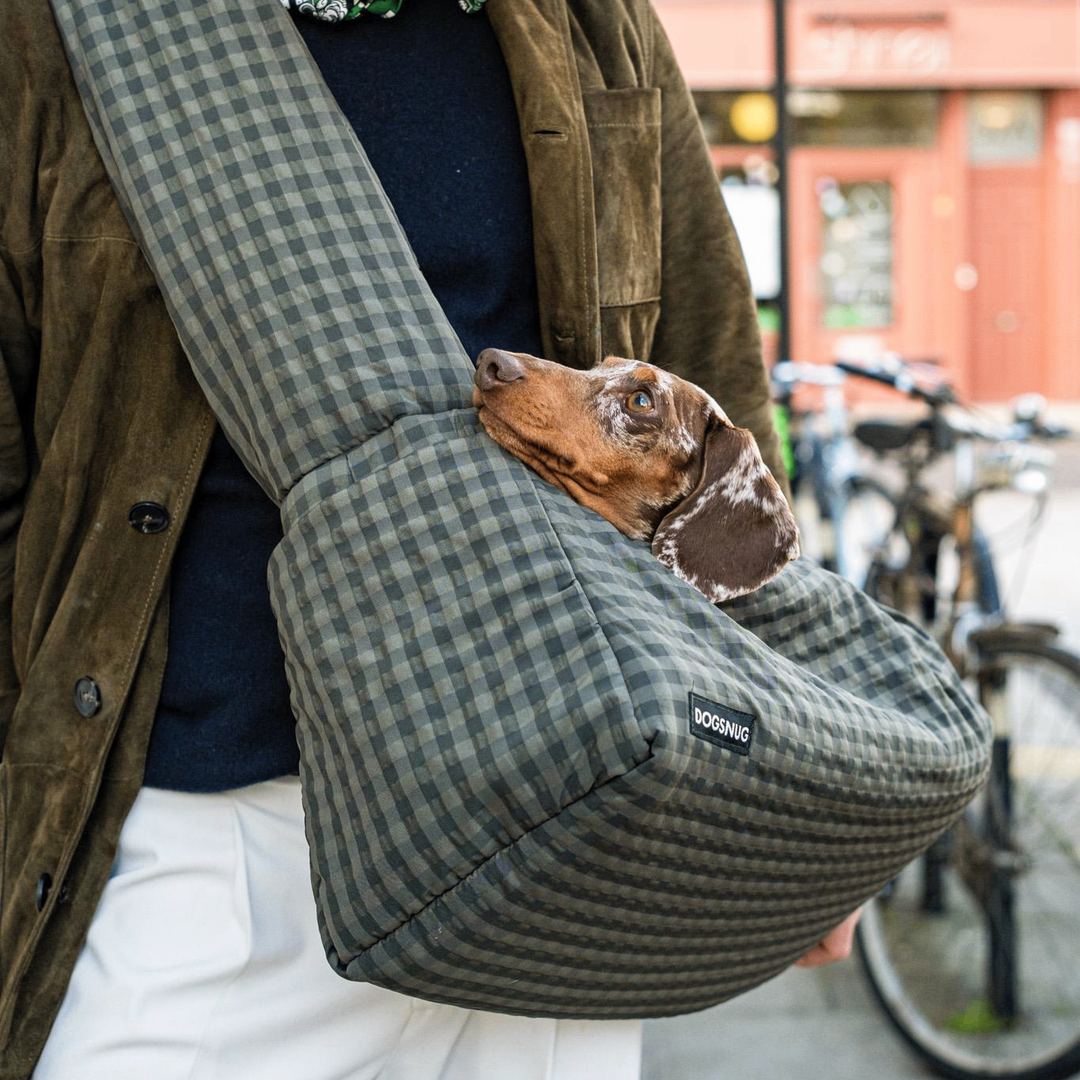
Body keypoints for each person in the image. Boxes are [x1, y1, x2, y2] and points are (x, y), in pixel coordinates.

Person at [0, 0, 858, 1076]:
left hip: (566, 824)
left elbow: (713, 385)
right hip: (219, 838)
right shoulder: (70, 28)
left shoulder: (591, 21)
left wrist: (782, 806)